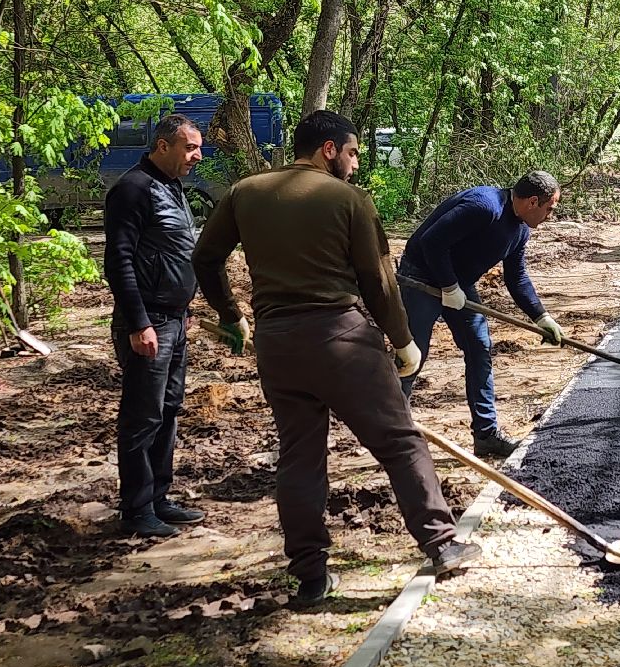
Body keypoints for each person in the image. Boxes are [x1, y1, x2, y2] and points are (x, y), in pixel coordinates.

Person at [192, 110, 478, 605]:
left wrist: (229, 313)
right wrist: (403, 339)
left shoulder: (246, 192)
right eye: (352, 154)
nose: (355, 165)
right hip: (339, 338)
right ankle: (443, 543)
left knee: (300, 457)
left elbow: (205, 257)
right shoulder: (348, 199)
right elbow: (377, 278)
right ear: (329, 150)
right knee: (399, 441)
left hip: (277, 344)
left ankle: (310, 576)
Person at [397, 172, 563, 459]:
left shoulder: (520, 229)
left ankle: (486, 435)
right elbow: (430, 242)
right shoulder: (484, 207)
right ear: (533, 201)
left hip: (458, 285)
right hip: (421, 277)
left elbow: (517, 277)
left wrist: (541, 317)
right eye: (549, 208)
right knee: (413, 355)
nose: (550, 216)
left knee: (479, 348)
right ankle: (394, 435)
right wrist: (448, 285)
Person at [103, 113, 207, 538]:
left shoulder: (172, 187)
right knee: (141, 417)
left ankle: (159, 498)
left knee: (168, 411)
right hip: (147, 323)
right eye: (189, 147)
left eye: (198, 147)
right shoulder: (133, 189)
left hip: (174, 320)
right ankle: (136, 509)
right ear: (162, 146)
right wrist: (138, 322)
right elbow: (119, 261)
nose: (196, 156)